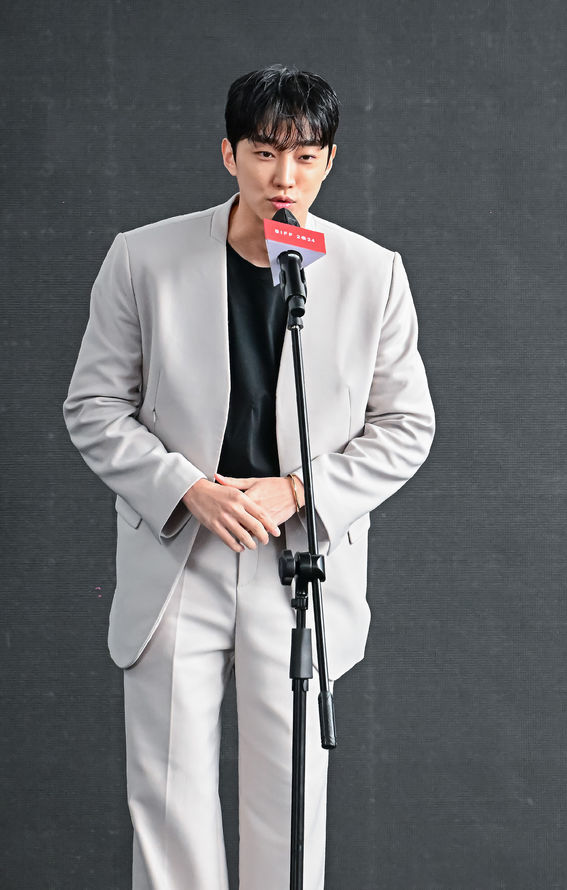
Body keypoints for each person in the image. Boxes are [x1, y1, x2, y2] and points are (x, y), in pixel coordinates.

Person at [64, 66, 434, 889]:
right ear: (229, 155)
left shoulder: (371, 272)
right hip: (179, 552)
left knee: (292, 799)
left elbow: (408, 425)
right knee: (169, 798)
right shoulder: (143, 258)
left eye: (304, 156)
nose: (284, 177)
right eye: (265, 153)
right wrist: (186, 488)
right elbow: (93, 405)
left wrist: (298, 490)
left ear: (329, 161)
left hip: (298, 560)